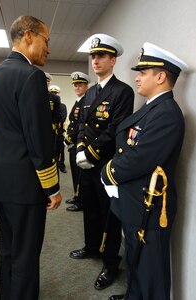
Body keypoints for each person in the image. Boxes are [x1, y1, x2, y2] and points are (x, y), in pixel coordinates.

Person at [0, 15, 62, 300]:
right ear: (29, 36)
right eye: (46, 40)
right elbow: (38, 139)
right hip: (25, 183)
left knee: (8, 248)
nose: (48, 48)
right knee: (26, 254)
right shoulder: (31, 76)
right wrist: (52, 187)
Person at [101, 42, 188, 300]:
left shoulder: (167, 113)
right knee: (135, 261)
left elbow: (141, 158)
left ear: (161, 76)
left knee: (151, 273)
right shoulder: (152, 108)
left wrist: (109, 172)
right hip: (135, 202)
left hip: (150, 207)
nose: (137, 77)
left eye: (143, 72)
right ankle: (133, 295)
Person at [69, 34, 134, 290]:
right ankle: (91, 247)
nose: (95, 60)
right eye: (93, 56)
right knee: (90, 209)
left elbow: (116, 128)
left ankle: (110, 263)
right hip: (87, 164)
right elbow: (84, 126)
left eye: (101, 56)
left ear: (112, 60)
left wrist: (91, 153)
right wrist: (81, 148)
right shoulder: (91, 91)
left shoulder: (122, 92)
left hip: (106, 165)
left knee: (109, 215)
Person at [64, 71, 91, 212]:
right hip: (73, 143)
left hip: (78, 143)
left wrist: (69, 139)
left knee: (80, 175)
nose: (77, 88)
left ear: (86, 86)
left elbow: (80, 124)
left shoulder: (86, 102)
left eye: (80, 85)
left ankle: (81, 201)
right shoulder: (78, 101)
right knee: (75, 173)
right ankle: (77, 195)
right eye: (75, 85)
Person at [49, 85, 68, 173]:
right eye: (52, 93)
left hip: (59, 131)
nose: (54, 95)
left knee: (60, 149)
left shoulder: (62, 106)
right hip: (49, 132)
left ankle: (61, 165)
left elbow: (63, 117)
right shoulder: (46, 105)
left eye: (56, 93)